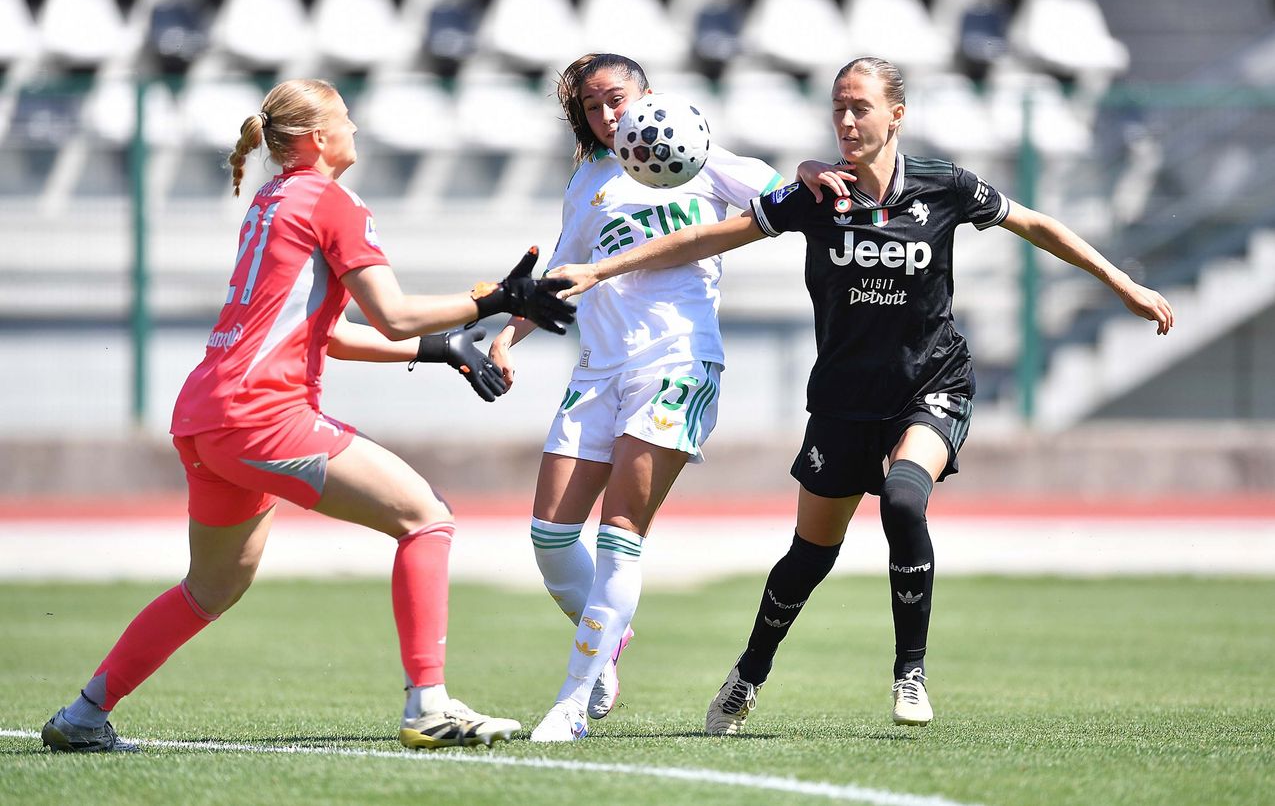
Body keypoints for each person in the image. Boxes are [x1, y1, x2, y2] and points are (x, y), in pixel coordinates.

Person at [551, 56, 1174, 733]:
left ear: (895, 115)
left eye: (861, 108)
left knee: (905, 498)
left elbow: (1035, 224)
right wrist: (600, 269)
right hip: (843, 401)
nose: (846, 121)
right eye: (838, 108)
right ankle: (748, 673)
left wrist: (1122, 282)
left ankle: (909, 673)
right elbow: (707, 236)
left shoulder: (943, 186)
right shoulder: (819, 197)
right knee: (808, 557)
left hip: (930, 386)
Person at [39, 78, 575, 753]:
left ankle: (84, 716)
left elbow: (326, 334)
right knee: (426, 516)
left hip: (207, 416)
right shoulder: (333, 202)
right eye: (345, 119)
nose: (355, 128)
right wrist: (499, 297)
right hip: (262, 414)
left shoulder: (272, 199)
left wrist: (440, 350)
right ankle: (428, 704)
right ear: (319, 139)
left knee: (210, 586)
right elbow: (392, 313)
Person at [487, 53, 786, 742]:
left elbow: (779, 201)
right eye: (592, 107)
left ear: (648, 95)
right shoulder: (590, 177)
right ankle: (607, 641)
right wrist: (508, 336)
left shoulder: (698, 155)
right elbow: (562, 272)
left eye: (616, 99)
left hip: (676, 361)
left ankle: (569, 702)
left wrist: (804, 179)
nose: (607, 115)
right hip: (597, 372)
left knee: (619, 535)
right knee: (550, 537)